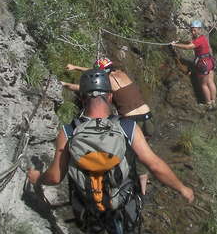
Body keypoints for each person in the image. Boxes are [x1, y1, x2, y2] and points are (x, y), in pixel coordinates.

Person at [28, 69, 194, 234]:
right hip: (122, 202)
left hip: (87, 201)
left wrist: (37, 178)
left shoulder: (69, 131)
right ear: (110, 96)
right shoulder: (127, 127)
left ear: (82, 97)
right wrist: (182, 188)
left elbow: (54, 177)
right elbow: (154, 165)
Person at [61, 58, 153, 193]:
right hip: (148, 117)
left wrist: (64, 84)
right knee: (143, 153)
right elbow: (97, 73)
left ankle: (128, 188)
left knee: (126, 154)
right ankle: (142, 185)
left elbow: (84, 88)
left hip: (133, 120)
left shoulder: (106, 83)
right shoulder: (122, 74)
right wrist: (75, 66)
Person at [171, 20, 217, 107]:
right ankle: (213, 101)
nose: (193, 32)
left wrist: (175, 45)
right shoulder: (203, 38)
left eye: (194, 30)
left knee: (204, 84)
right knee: (210, 82)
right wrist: (180, 41)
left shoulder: (198, 40)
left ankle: (208, 103)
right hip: (210, 62)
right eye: (191, 30)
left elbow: (189, 47)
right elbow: (190, 43)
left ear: (199, 29)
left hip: (203, 64)